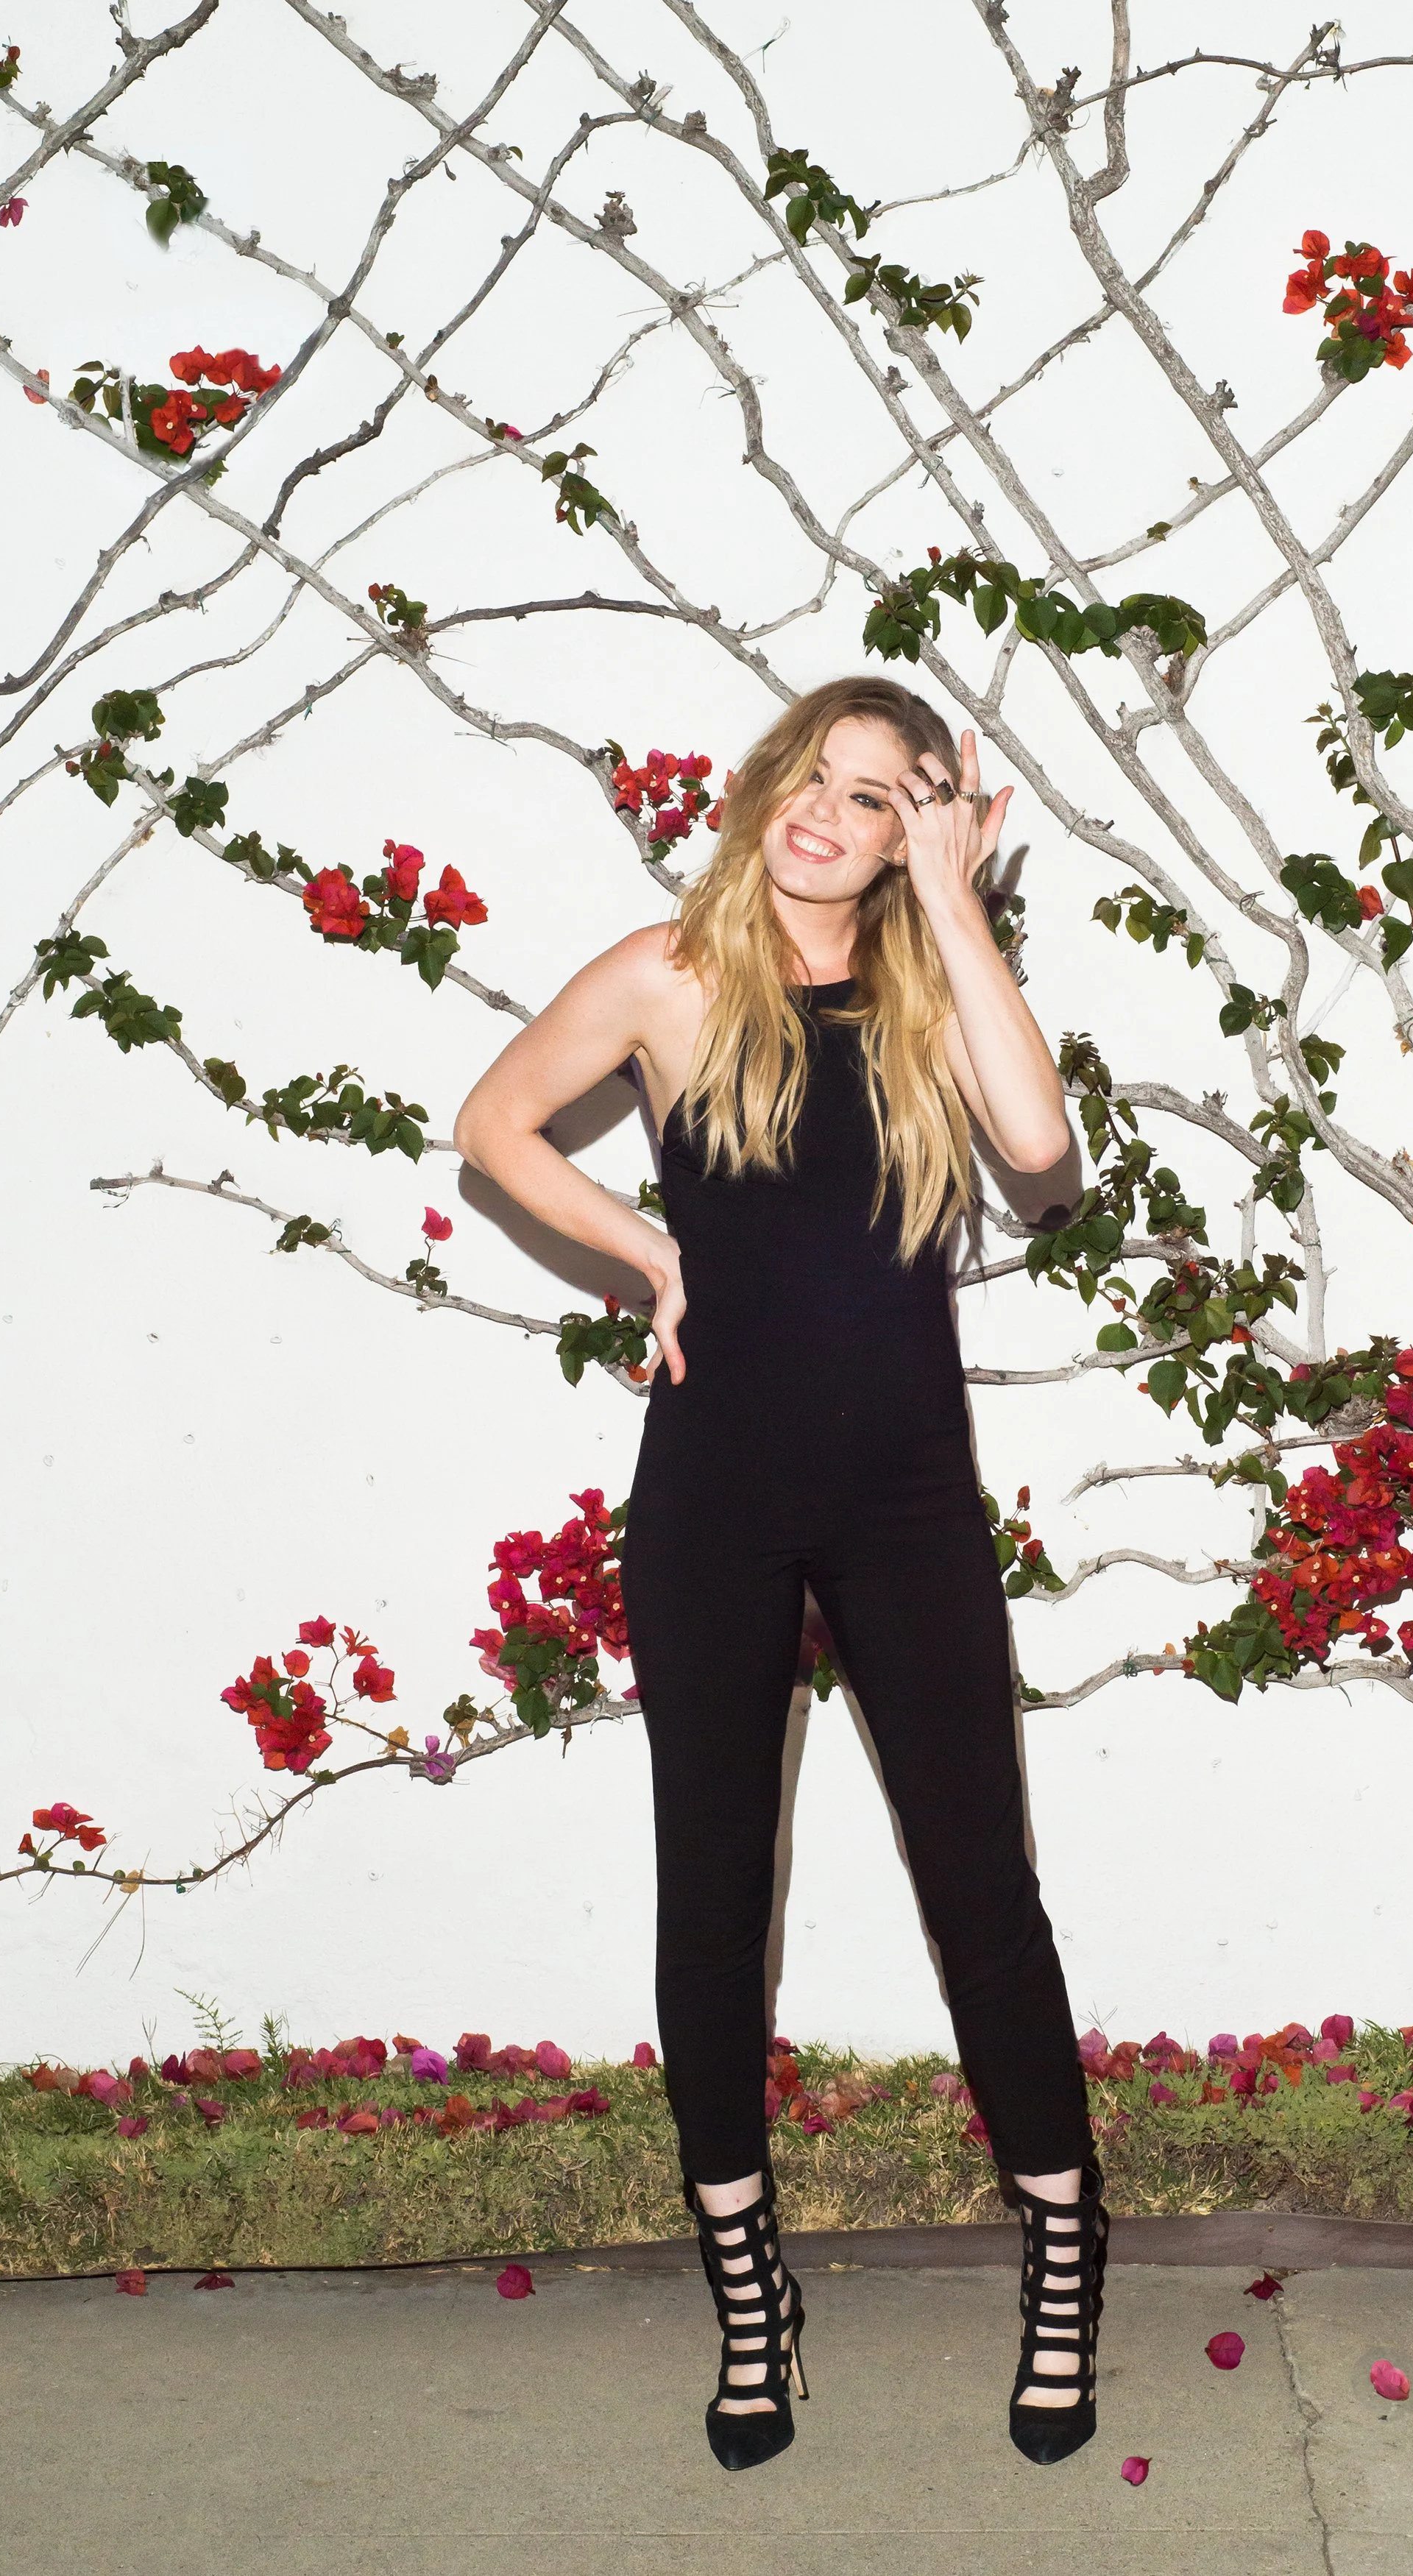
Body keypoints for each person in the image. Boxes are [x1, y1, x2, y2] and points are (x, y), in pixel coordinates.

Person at [454, 675, 1105, 2471]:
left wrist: (957, 903)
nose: (827, 812)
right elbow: (493, 1122)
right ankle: (748, 2293)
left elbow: (1037, 1151)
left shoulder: (927, 987)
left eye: (877, 796)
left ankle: (1065, 2250)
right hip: (712, 1500)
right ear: (766, 786)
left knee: (979, 1886)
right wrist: (646, 1250)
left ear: (915, 832)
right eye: (814, 776)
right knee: (712, 1898)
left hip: (905, 1502)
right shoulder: (668, 975)